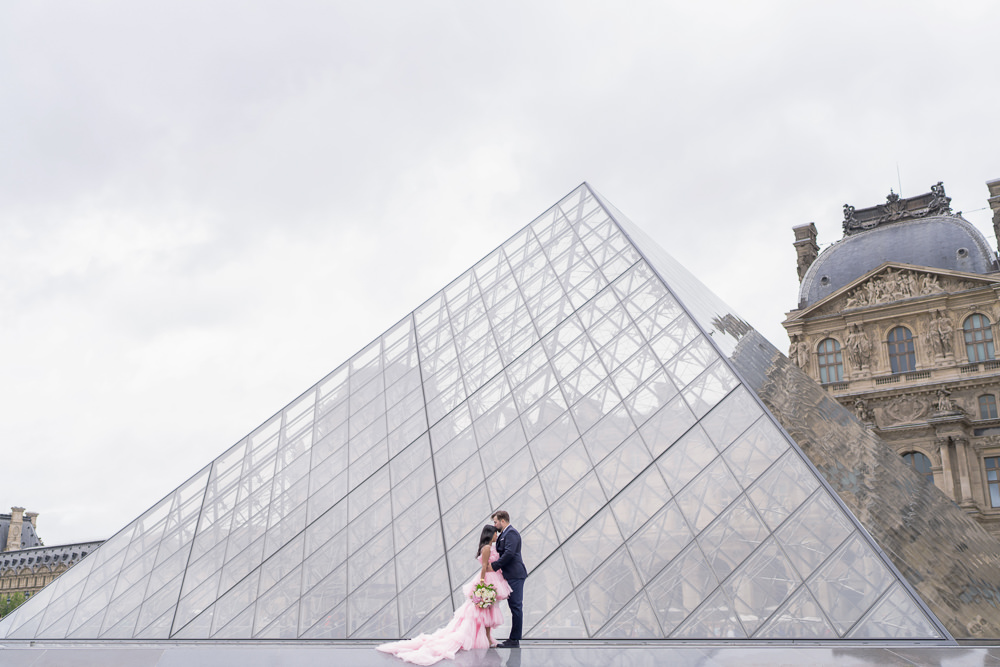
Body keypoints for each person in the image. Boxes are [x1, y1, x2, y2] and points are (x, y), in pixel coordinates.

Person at [376, 525, 512, 665]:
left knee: (487, 610)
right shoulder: (487, 548)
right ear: (490, 534)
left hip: (492, 578)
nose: (497, 535)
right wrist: (482, 584)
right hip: (488, 579)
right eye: (496, 533)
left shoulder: (490, 547)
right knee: (484, 610)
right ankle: (487, 638)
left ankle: (487, 638)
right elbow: (484, 566)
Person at [489, 510, 527, 648]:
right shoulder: (505, 534)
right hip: (511, 575)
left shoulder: (511, 534)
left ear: (503, 521)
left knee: (516, 607)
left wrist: (494, 566)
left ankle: (514, 640)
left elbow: (509, 553)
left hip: (515, 575)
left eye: (496, 522)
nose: (495, 525)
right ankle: (513, 639)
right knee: (514, 607)